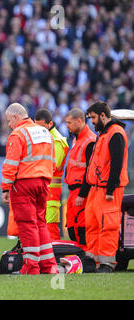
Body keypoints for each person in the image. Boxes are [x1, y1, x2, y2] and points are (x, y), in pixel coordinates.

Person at [1, 103, 57, 275]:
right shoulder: (45, 132)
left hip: (24, 184)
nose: (9, 124)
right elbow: (53, 162)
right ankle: (49, 266)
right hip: (44, 183)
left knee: (27, 225)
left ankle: (31, 268)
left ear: (16, 117)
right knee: (41, 223)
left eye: (9, 120)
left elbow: (11, 164)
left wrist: (5, 188)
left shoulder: (18, 134)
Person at [84, 101, 129, 273]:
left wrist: (110, 189)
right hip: (97, 188)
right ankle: (93, 260)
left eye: (94, 118)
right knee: (93, 224)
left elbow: (117, 164)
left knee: (107, 225)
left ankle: (107, 263)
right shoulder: (104, 133)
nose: (92, 122)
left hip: (108, 190)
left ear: (103, 115)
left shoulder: (115, 133)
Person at [34, 108, 69, 240]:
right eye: (36, 126)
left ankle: (55, 258)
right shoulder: (43, 137)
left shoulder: (57, 141)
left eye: (42, 127)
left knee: (50, 229)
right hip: (42, 191)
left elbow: (51, 167)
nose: (39, 130)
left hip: (51, 193)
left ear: (50, 124)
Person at [64, 108, 96, 249]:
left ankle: (86, 258)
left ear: (79, 121)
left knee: (81, 226)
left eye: (69, 122)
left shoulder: (89, 141)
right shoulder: (77, 139)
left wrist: (82, 194)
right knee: (71, 227)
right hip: (73, 191)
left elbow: (90, 171)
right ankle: (79, 257)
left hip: (80, 192)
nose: (67, 126)